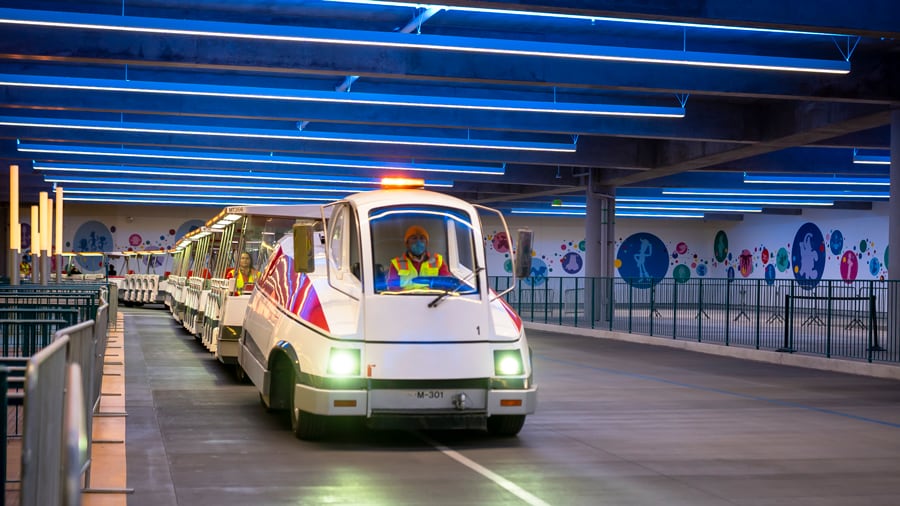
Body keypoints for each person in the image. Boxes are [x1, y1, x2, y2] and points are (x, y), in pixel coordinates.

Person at [387, 225, 450, 290]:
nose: (418, 242)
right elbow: (393, 289)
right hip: (406, 300)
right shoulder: (397, 263)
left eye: (422, 238)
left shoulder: (438, 261)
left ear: (426, 243)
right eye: (414, 238)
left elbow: (447, 284)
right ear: (407, 243)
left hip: (434, 299)